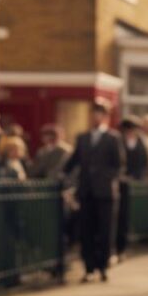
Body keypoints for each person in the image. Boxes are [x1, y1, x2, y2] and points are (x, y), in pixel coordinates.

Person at [63, 98, 125, 283]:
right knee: (87, 230)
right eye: (93, 113)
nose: (96, 117)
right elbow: (73, 161)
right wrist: (62, 175)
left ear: (105, 116)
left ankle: (103, 267)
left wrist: (105, 177)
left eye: (99, 113)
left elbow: (119, 165)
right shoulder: (82, 138)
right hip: (86, 191)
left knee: (105, 231)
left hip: (105, 192)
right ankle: (89, 268)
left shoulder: (113, 138)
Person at [115, 116, 148, 260]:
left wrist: (138, 177)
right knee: (117, 218)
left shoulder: (142, 142)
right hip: (119, 183)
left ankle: (123, 247)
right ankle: (116, 248)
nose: (131, 133)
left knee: (127, 217)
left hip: (134, 184)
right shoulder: (118, 142)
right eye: (128, 130)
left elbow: (145, 163)